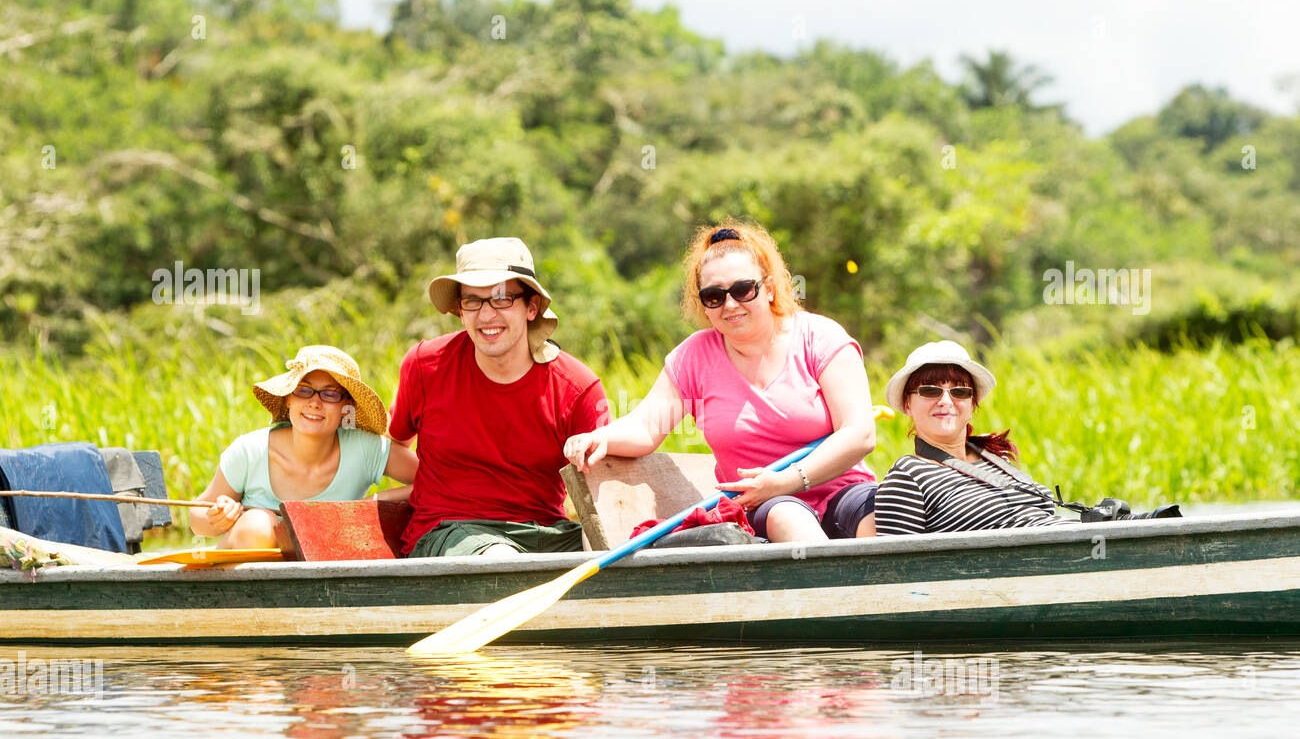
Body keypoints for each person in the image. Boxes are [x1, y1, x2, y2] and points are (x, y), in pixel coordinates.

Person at [563, 220, 878, 543]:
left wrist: (787, 479)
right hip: (763, 504)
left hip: (845, 489)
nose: (730, 304)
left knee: (880, 514)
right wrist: (599, 437)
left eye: (743, 289)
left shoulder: (820, 337)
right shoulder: (694, 357)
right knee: (789, 516)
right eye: (714, 296)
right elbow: (645, 426)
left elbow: (860, 433)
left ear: (769, 287)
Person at [390, 237, 609, 558]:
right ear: (460, 312)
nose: (486, 314)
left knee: (628, 551)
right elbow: (395, 445)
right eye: (472, 301)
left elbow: (604, 491)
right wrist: (426, 485)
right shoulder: (425, 365)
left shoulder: (577, 387)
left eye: (501, 299)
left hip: (544, 531)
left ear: (531, 307)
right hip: (451, 529)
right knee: (500, 558)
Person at [191, 345, 417, 548]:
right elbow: (196, 520)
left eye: (329, 394)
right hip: (244, 573)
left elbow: (435, 479)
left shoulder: (366, 449)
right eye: (303, 390)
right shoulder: (249, 451)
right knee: (258, 525)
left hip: (322, 574)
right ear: (288, 398)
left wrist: (376, 501)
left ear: (346, 406)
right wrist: (217, 516)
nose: (314, 403)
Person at [873, 340, 1072, 535]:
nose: (945, 401)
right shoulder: (907, 477)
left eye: (959, 392)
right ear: (907, 404)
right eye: (930, 390)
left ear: (972, 405)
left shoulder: (993, 458)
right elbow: (895, 566)